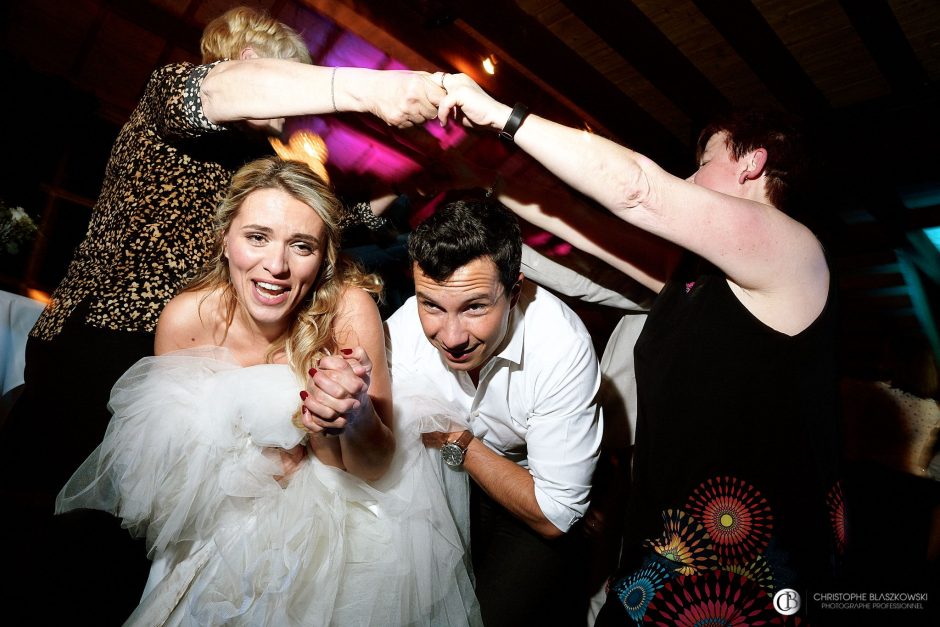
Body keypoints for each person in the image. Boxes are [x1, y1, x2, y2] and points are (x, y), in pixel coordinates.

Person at [0, 6, 445, 617]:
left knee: (125, 565)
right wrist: (374, 89)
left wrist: (416, 180)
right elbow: (224, 91)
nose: (291, 106)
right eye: (282, 77)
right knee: (54, 538)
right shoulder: (172, 98)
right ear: (243, 62)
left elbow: (328, 220)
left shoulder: (254, 163)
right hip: (101, 346)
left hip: (183, 354)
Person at [436, 74, 845, 624]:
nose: (689, 175)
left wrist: (501, 117)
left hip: (746, 578)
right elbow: (583, 232)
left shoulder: (794, 250)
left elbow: (638, 189)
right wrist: (476, 170)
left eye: (704, 161)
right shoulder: (698, 282)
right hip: (664, 552)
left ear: (751, 163)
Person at [55, 156, 479, 625]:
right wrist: (257, 466)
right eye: (257, 237)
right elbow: (164, 480)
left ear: (325, 260)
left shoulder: (349, 311)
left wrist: (352, 419)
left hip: (340, 527)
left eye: (301, 246)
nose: (275, 266)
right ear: (225, 239)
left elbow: (374, 467)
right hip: (213, 530)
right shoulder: (187, 321)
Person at [384, 195, 603, 626]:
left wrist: (456, 440)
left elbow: (555, 513)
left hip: (526, 497)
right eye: (432, 305)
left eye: (475, 307)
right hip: (441, 486)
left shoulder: (561, 347)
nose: (450, 336)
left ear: (515, 291)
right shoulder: (406, 325)